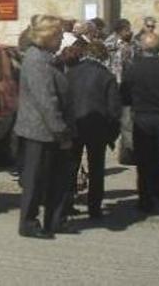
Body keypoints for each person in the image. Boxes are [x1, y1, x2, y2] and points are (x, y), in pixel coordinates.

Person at [14, 15, 74, 239]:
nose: (61, 40)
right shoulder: (36, 60)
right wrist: (61, 131)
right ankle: (28, 223)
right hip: (39, 132)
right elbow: (46, 101)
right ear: (47, 36)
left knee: (57, 179)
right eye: (58, 36)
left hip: (49, 131)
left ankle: (55, 219)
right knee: (35, 181)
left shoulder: (47, 57)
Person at [66, 41, 121, 219]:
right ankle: (94, 207)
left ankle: (67, 203)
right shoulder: (107, 77)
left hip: (74, 124)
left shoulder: (71, 73)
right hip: (98, 127)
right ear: (103, 56)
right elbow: (114, 109)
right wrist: (112, 133)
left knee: (71, 165)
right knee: (96, 168)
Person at [121, 32, 159, 214]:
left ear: (142, 48)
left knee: (144, 162)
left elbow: (125, 96)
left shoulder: (133, 69)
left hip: (142, 118)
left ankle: (145, 200)